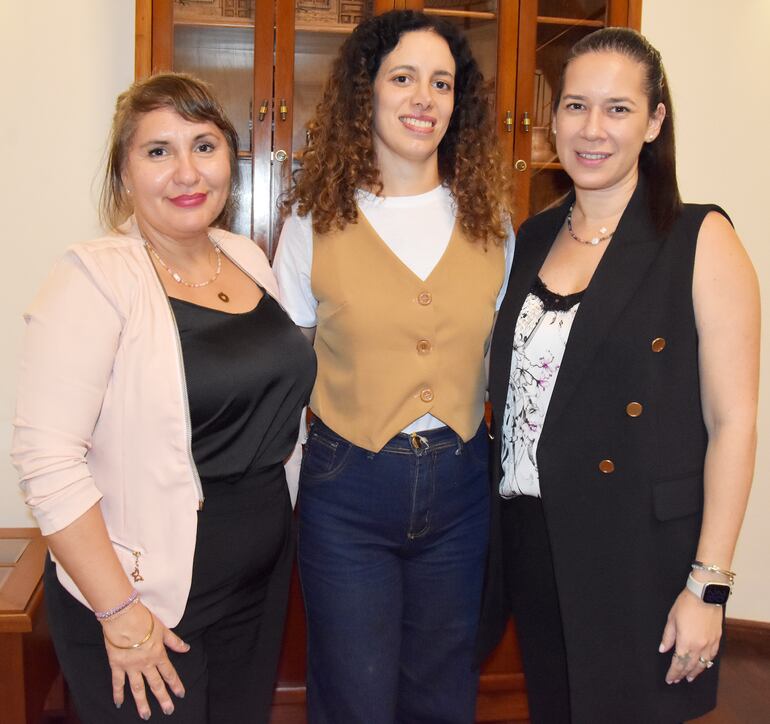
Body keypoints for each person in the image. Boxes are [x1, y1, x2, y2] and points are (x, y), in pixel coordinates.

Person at [11, 73, 316, 723]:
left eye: (204, 146)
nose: (187, 171)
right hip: (147, 602)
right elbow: (47, 459)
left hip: (254, 590)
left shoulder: (245, 258)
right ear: (123, 174)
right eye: (158, 151)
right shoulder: (92, 278)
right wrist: (121, 615)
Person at [478, 27, 759, 724]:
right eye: (575, 106)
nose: (591, 129)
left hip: (640, 555)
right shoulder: (532, 237)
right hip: (534, 542)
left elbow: (735, 423)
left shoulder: (700, 239)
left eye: (618, 109)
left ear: (655, 122)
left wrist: (709, 587)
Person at [273, 10, 513, 723]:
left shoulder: (490, 221)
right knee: (355, 696)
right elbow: (284, 379)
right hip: (347, 492)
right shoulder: (310, 223)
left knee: (444, 693)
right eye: (403, 78)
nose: (424, 98)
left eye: (441, 83)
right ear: (365, 94)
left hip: (463, 488)